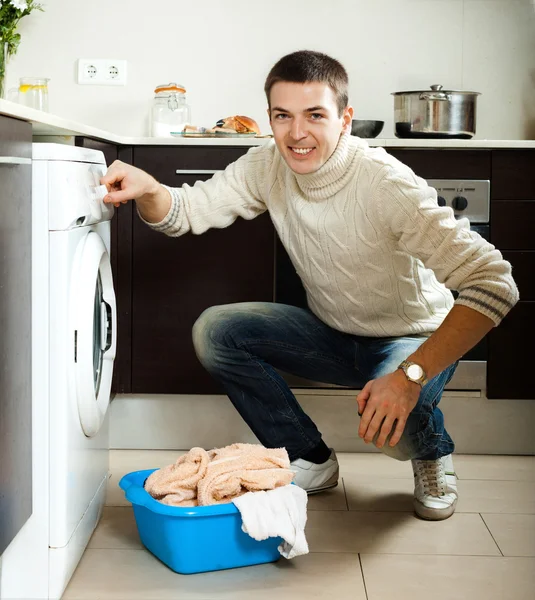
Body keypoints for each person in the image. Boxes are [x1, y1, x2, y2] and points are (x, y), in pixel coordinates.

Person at [101, 50, 518, 521]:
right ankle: (312, 460)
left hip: (411, 337)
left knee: (395, 429)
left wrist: (408, 378)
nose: (297, 134)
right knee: (216, 330)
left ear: (345, 119)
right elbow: (184, 213)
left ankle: (432, 453)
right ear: (271, 119)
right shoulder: (268, 165)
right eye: (283, 116)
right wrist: (151, 189)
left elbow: (495, 284)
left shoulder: (386, 184)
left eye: (315, 115)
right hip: (334, 333)